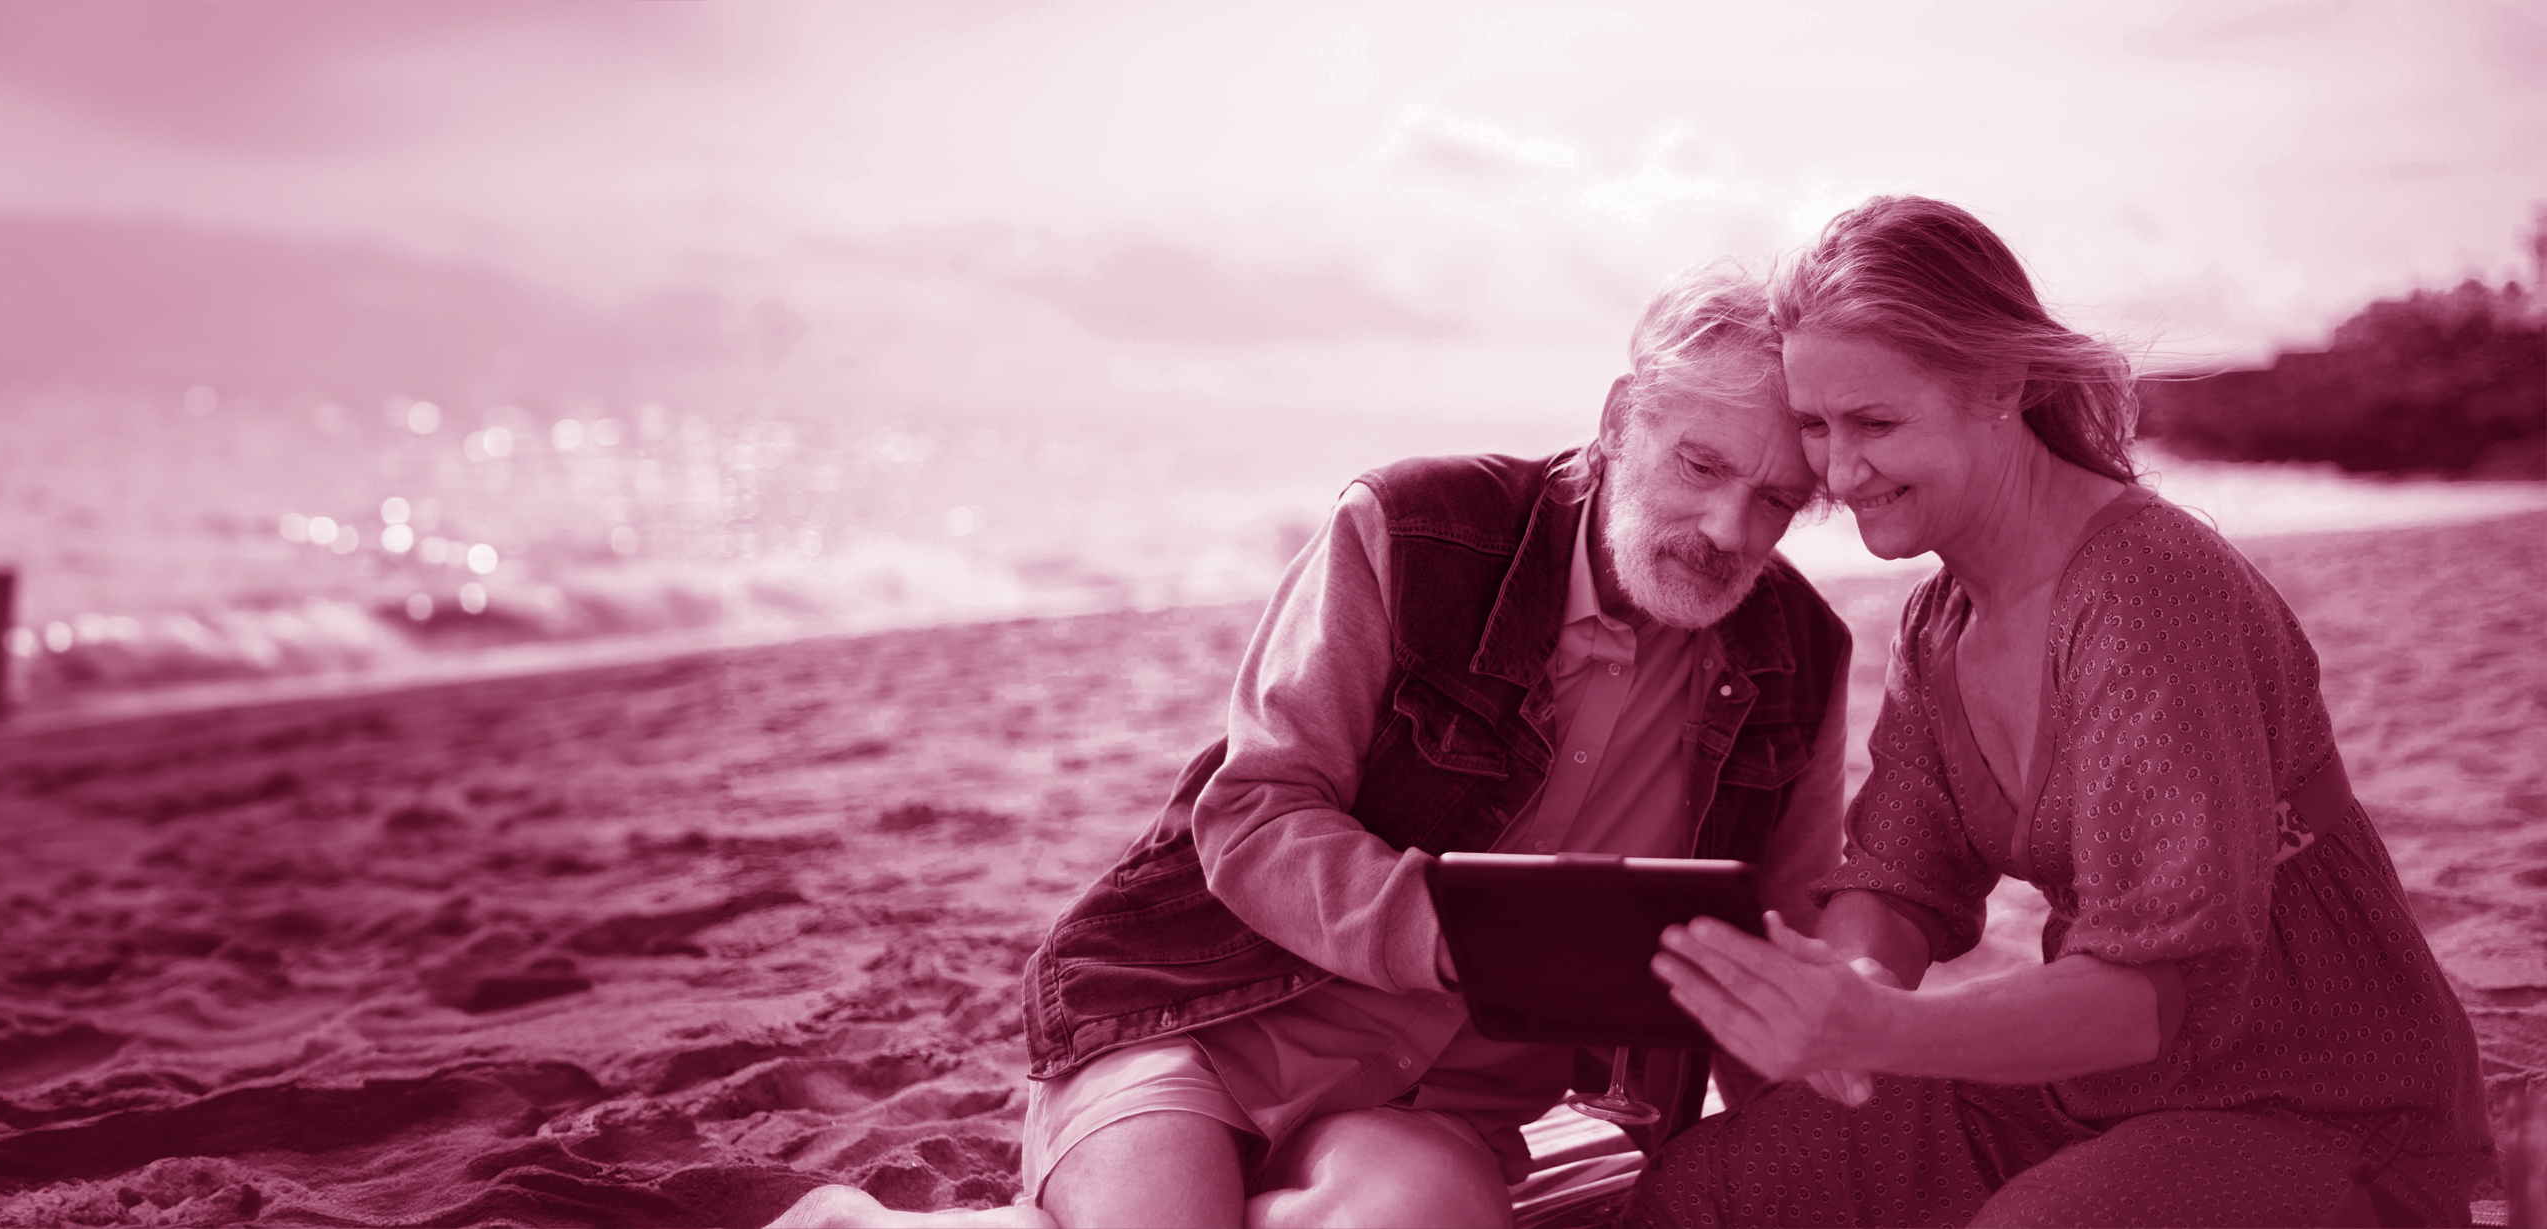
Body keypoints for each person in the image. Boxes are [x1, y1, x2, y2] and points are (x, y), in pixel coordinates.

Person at [769, 264, 1855, 1228]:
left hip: (1438, 1113)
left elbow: (1788, 937)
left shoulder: (1801, 654)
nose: (1729, 530)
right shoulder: (1416, 530)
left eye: (1775, 500)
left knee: (1427, 1213)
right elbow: (1253, 811)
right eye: (1699, 465)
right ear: (1621, 419)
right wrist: (1461, 936)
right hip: (1200, 1022)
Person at [1624, 196, 2495, 1228]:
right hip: (2090, 1096)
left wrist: (1878, 1031)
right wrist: (1847, 989)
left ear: (2001, 383)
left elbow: (2151, 996)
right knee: (1710, 1186)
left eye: (1876, 422)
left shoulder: (2148, 586)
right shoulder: (1937, 621)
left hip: (2320, 1103)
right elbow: (1899, 877)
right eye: (1815, 426)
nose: (1840, 472)